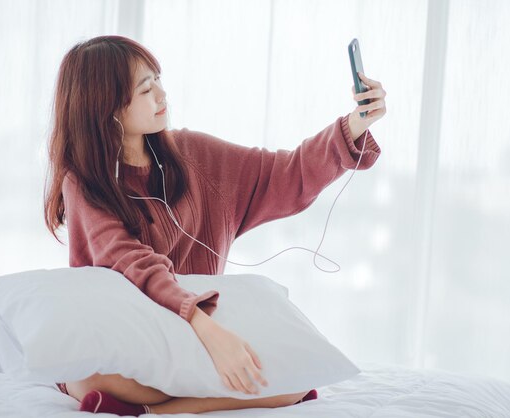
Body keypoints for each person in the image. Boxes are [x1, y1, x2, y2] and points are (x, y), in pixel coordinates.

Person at [43, 35, 386, 416]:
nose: (161, 95)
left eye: (158, 80)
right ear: (108, 108)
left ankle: (155, 412)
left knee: (295, 380)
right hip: (136, 340)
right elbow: (132, 262)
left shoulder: (194, 156)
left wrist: (354, 125)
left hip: (195, 343)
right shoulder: (85, 182)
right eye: (145, 89)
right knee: (89, 376)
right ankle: (159, 400)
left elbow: (282, 174)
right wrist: (208, 329)